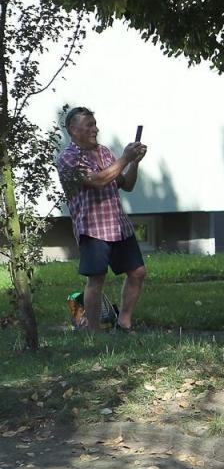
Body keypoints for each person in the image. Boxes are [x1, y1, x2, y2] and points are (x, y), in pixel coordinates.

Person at [55, 106, 148, 333]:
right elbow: (97, 180)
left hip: (118, 225)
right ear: (73, 130)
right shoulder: (68, 158)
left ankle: (123, 323)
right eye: (89, 125)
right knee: (96, 279)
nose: (96, 129)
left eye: (95, 124)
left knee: (138, 272)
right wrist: (125, 157)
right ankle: (93, 332)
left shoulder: (105, 151)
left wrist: (134, 161)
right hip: (93, 228)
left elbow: (127, 184)